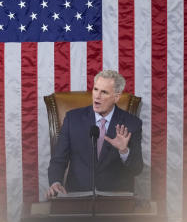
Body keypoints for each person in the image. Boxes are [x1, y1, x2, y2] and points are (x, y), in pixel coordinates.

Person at [46, 69, 143, 197]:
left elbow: (137, 169)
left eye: (104, 92)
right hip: (78, 196)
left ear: (116, 97)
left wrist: (124, 151)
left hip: (115, 199)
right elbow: (58, 160)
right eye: (95, 89)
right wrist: (55, 182)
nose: (97, 96)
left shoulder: (132, 124)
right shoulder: (72, 119)